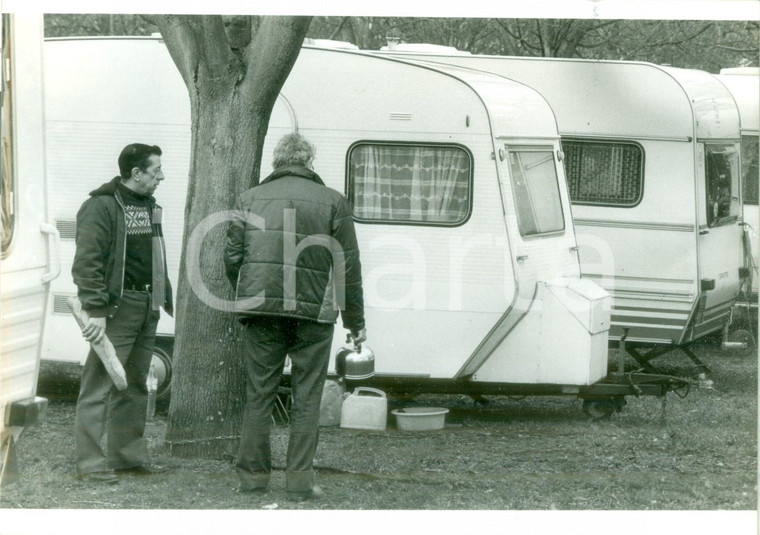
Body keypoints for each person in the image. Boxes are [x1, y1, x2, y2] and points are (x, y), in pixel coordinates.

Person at [224, 133, 366, 501]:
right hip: (314, 315)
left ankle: (253, 480)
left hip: (262, 309)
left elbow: (232, 257)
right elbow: (347, 266)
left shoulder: (248, 198)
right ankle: (300, 483)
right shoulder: (334, 201)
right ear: (309, 161)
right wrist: (354, 321)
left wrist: (244, 293)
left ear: (277, 160)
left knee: (259, 395)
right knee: (307, 398)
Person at [72, 143, 173, 484]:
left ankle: (126, 457)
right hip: (117, 308)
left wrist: (162, 296)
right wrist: (96, 310)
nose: (161, 176)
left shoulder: (149, 206)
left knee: (134, 386)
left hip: (147, 305)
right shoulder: (100, 206)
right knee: (99, 385)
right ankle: (89, 462)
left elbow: (154, 255)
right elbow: (87, 264)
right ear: (136, 173)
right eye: (156, 171)